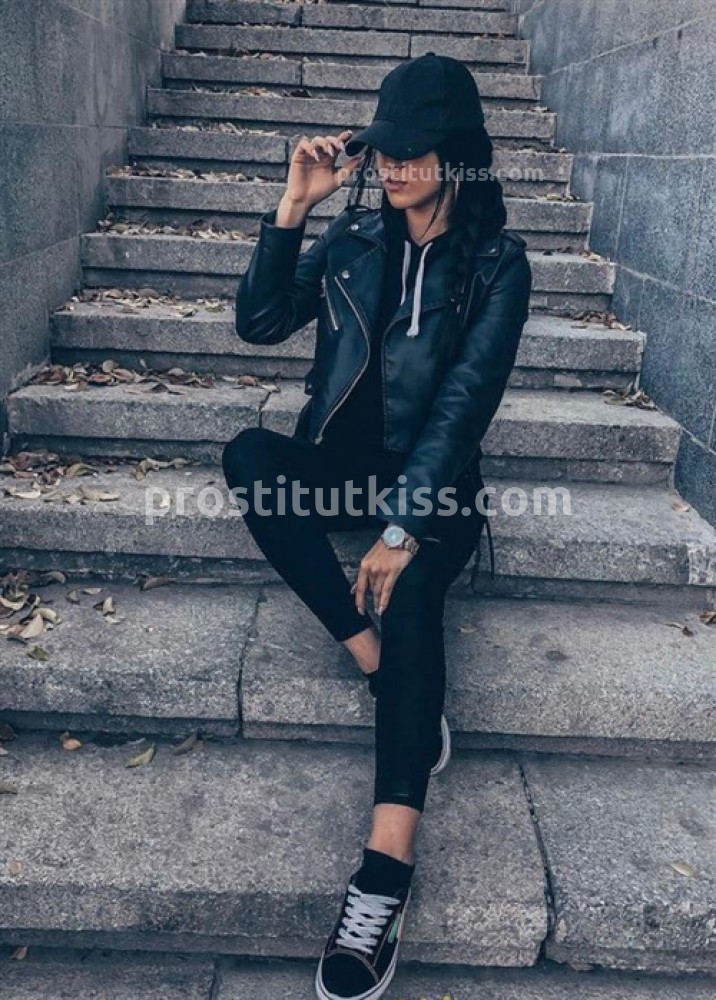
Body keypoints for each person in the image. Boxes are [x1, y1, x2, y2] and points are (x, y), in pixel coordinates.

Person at [221, 52, 532, 1000]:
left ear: (459, 155)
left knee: (417, 598)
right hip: (342, 468)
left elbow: (462, 406)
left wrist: (400, 532)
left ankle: (382, 878)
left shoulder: (498, 264)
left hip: (434, 486)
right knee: (249, 457)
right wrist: (293, 208)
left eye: (411, 151)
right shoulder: (354, 235)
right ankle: (374, 661)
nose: (390, 166)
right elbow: (259, 323)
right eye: (383, 148)